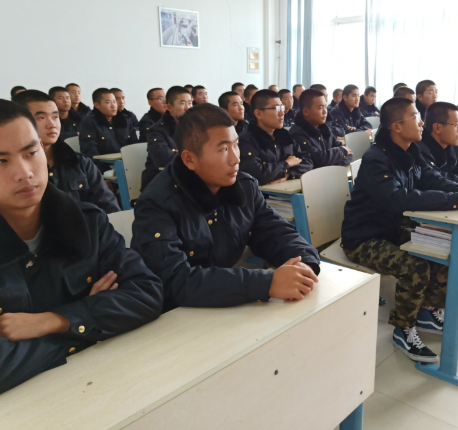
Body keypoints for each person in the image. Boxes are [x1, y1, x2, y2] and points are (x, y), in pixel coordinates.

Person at [0, 98, 162, 407]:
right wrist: (86, 324)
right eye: (0, 161)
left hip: (108, 387)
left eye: (30, 153)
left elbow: (147, 293)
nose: (24, 172)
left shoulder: (86, 222)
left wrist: (55, 321)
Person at [131, 105, 320, 312]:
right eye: (223, 149)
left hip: (223, 301)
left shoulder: (244, 186)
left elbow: (275, 232)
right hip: (175, 314)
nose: (236, 159)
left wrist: (304, 264)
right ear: (189, 159)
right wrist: (266, 283)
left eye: (236, 145)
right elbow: (175, 281)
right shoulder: (157, 204)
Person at [342, 97, 458, 362]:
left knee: (442, 249)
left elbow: (431, 178)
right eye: (415, 117)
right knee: (415, 267)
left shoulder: (411, 150)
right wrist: (454, 200)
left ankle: (427, 311)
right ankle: (403, 329)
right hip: (364, 238)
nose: (421, 123)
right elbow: (399, 199)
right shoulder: (376, 158)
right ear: (396, 126)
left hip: (395, 230)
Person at [13, 90, 120, 213]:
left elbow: (109, 206)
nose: (52, 124)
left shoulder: (80, 163)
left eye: (55, 117)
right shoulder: (17, 171)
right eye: (41, 117)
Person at [239, 89, 313, 185]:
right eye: (276, 108)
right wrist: (287, 164)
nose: (282, 113)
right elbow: (257, 173)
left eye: (282, 107)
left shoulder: (284, 136)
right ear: (258, 114)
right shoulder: (246, 140)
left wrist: (289, 174)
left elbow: (308, 161)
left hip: (287, 190)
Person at [141, 86, 192, 191]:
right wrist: (193, 156)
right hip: (161, 183)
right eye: (182, 103)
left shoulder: (193, 127)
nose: (188, 108)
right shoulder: (156, 130)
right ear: (169, 107)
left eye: (190, 103)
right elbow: (163, 159)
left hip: (186, 178)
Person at [289, 89, 353, 168]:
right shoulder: (297, 134)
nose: (325, 112)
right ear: (306, 111)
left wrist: (334, 166)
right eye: (320, 108)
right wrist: (341, 152)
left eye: (325, 107)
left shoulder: (324, 129)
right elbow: (316, 160)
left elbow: (349, 153)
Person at [79, 88, 138, 174]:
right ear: (97, 105)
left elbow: (134, 146)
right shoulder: (89, 123)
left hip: (128, 166)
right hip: (104, 169)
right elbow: (90, 153)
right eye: (108, 102)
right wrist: (103, 174)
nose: (113, 106)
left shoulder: (125, 120)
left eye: (114, 102)